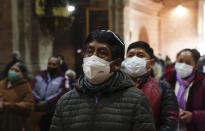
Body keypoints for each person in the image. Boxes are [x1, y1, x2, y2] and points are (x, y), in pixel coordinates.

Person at [50, 30, 156, 131]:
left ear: (116, 64)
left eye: (102, 53)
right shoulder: (66, 101)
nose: (93, 58)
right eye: (89, 51)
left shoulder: (136, 100)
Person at [123, 41, 178, 131]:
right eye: (130, 55)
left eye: (140, 55)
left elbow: (170, 121)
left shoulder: (163, 87)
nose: (134, 59)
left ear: (151, 63)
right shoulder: (115, 86)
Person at [164, 48, 205, 131]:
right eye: (180, 61)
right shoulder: (167, 81)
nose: (183, 65)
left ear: (195, 67)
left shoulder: (202, 84)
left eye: (188, 63)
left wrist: (193, 116)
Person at [31, 56, 69, 131]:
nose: (51, 66)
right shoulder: (40, 75)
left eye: (54, 64)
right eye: (49, 64)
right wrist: (37, 100)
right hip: (37, 108)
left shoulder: (63, 78)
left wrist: (47, 102)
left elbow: (63, 92)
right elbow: (31, 89)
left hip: (52, 111)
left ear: (58, 66)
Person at [0, 62, 34, 131]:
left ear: (22, 74)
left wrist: (6, 104)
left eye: (16, 71)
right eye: (11, 69)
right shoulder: (1, 84)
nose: (13, 72)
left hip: (17, 123)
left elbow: (28, 105)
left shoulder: (25, 86)